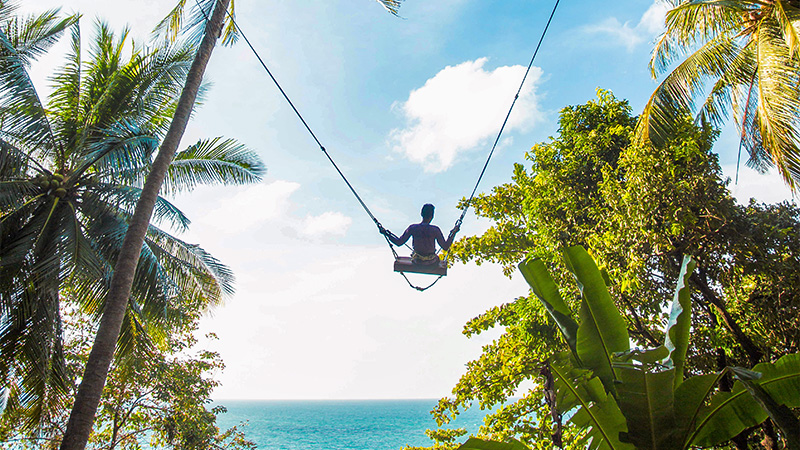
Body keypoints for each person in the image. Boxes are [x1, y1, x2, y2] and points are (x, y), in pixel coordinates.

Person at [379, 204, 460, 265]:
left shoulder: (413, 228)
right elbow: (445, 247)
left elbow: (399, 242)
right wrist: (453, 233)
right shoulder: (435, 230)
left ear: (421, 214)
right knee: (436, 258)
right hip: (431, 263)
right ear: (432, 216)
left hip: (417, 261)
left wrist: (386, 234)